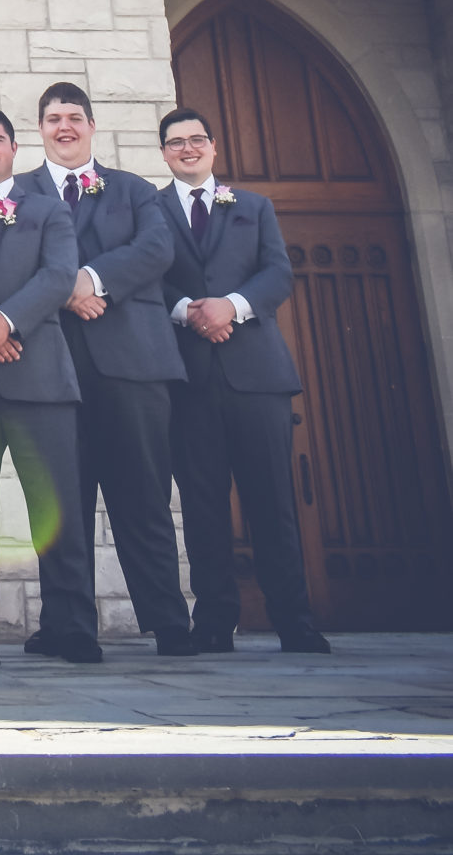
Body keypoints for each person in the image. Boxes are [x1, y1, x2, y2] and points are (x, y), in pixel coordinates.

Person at [15, 81, 194, 655]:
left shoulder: (133, 189)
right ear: (38, 130)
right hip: (50, 367)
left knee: (143, 494)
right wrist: (60, 290)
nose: (63, 126)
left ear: (92, 126)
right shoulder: (17, 193)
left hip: (132, 365)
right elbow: (6, 258)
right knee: (59, 502)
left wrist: (89, 281)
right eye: (52, 118)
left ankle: (169, 622)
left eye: (73, 116)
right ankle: (69, 627)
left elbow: (156, 249)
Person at [157, 106, 329, 655]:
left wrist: (231, 306)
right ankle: (214, 620)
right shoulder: (150, 210)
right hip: (190, 380)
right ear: (163, 153)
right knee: (203, 504)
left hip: (257, 376)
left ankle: (293, 619)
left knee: (272, 500)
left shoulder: (254, 207)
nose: (187, 148)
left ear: (213, 147)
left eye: (196, 139)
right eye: (175, 142)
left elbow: (278, 273)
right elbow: (143, 276)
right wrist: (187, 311)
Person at [0, 106, 98, 663]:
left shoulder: (49, 211)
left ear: (13, 149)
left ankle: (72, 628)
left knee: (58, 509)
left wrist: (4, 323)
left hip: (40, 380)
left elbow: (59, 276)